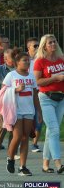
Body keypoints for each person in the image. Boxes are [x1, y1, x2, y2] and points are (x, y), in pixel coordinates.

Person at [1, 48, 41, 176]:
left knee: (25, 138)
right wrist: (16, 89)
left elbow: (35, 94)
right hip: (16, 111)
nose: (28, 63)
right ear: (17, 62)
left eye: (29, 61)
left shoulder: (31, 76)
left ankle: (23, 167)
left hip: (29, 110)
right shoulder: (11, 75)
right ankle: (10, 158)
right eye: (25, 61)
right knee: (17, 136)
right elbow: (2, 93)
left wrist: (38, 111)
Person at [34, 34, 64, 174]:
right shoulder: (40, 61)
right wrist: (55, 78)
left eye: (54, 41)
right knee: (54, 130)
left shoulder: (61, 59)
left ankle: (45, 164)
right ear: (44, 46)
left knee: (51, 132)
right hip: (46, 98)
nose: (53, 44)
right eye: (49, 42)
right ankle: (58, 163)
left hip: (61, 98)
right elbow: (37, 82)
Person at [0, 49, 15, 159]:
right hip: (3, 103)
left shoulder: (20, 69)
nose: (15, 58)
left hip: (16, 103)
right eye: (12, 57)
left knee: (14, 128)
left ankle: (11, 151)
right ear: (5, 59)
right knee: (3, 126)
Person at [26, 37, 42, 153]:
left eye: (38, 45)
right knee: (28, 119)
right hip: (26, 93)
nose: (37, 48)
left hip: (40, 92)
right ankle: (24, 141)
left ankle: (35, 143)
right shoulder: (24, 59)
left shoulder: (41, 59)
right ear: (28, 47)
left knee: (39, 118)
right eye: (34, 46)